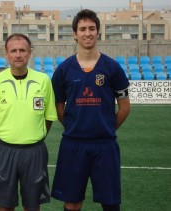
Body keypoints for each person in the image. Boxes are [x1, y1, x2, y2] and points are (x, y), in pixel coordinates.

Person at [51, 9, 130, 211]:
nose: (87, 33)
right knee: (72, 202)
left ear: (98, 32)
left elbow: (124, 107)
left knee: (111, 203)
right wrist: (74, 126)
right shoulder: (64, 69)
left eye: (92, 28)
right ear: (75, 34)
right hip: (73, 145)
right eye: (83, 29)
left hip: (105, 145)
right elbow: (59, 108)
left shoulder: (112, 68)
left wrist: (107, 127)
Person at [0, 33, 58, 211]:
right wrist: (4, 137)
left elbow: (49, 118)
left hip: (35, 152)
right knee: (5, 205)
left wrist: (34, 136)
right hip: (4, 150)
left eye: (22, 50)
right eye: (13, 51)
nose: (18, 55)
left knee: (33, 205)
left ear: (30, 53)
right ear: (6, 54)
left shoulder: (43, 80)